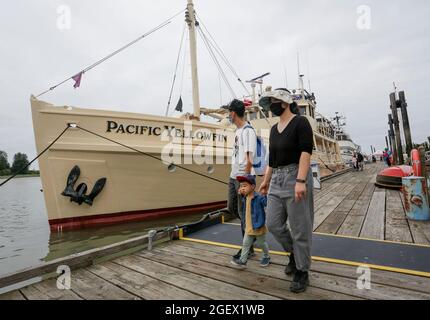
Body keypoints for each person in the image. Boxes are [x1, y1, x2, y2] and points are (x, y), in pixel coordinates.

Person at [258, 88, 314, 293]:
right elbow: (272, 160)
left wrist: (300, 180)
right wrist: (265, 181)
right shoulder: (273, 129)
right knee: (272, 223)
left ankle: (302, 270)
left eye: (273, 102)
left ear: (284, 102)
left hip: (294, 176)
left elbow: (305, 152)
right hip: (276, 180)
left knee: (300, 228)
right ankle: (293, 253)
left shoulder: (301, 122)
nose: (271, 106)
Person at [224, 99, 257, 260]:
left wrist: (245, 182)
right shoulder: (236, 131)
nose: (228, 115)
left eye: (228, 112)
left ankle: (248, 247)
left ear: (233, 113)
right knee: (232, 207)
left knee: (244, 213)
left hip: (242, 178)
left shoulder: (248, 131)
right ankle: (251, 232)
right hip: (233, 176)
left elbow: (249, 159)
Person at [231, 174, 271, 268]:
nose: (242, 188)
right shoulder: (245, 197)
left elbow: (266, 203)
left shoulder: (258, 197)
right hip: (248, 226)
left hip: (258, 226)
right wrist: (240, 194)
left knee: (261, 243)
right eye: (241, 186)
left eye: (245, 186)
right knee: (245, 243)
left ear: (253, 187)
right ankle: (243, 260)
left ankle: (266, 256)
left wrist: (265, 194)